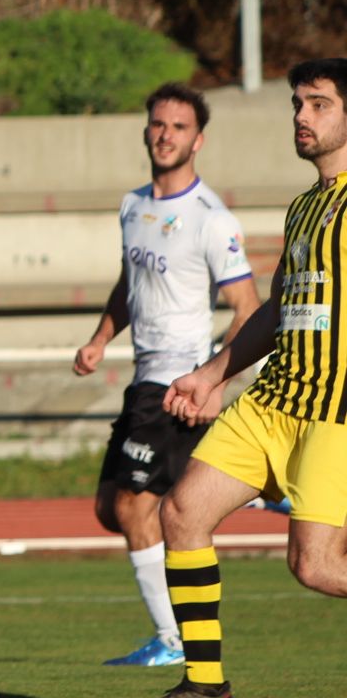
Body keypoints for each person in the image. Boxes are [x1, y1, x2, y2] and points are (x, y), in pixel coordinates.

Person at [131, 58, 347, 698]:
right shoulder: (308, 205)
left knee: (314, 566)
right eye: (296, 105)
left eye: (317, 105)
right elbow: (281, 308)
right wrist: (211, 373)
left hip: (334, 412)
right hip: (275, 400)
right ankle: (205, 685)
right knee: (181, 512)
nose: (301, 118)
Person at [71, 83, 259, 668]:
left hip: (176, 381)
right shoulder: (133, 206)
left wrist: (215, 379)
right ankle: (258, 492)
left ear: (197, 140)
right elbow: (129, 283)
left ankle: (173, 640)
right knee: (112, 507)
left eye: (178, 127)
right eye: (158, 124)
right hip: (142, 377)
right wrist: (103, 337)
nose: (165, 134)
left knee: (133, 507)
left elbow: (249, 308)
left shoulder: (211, 219)